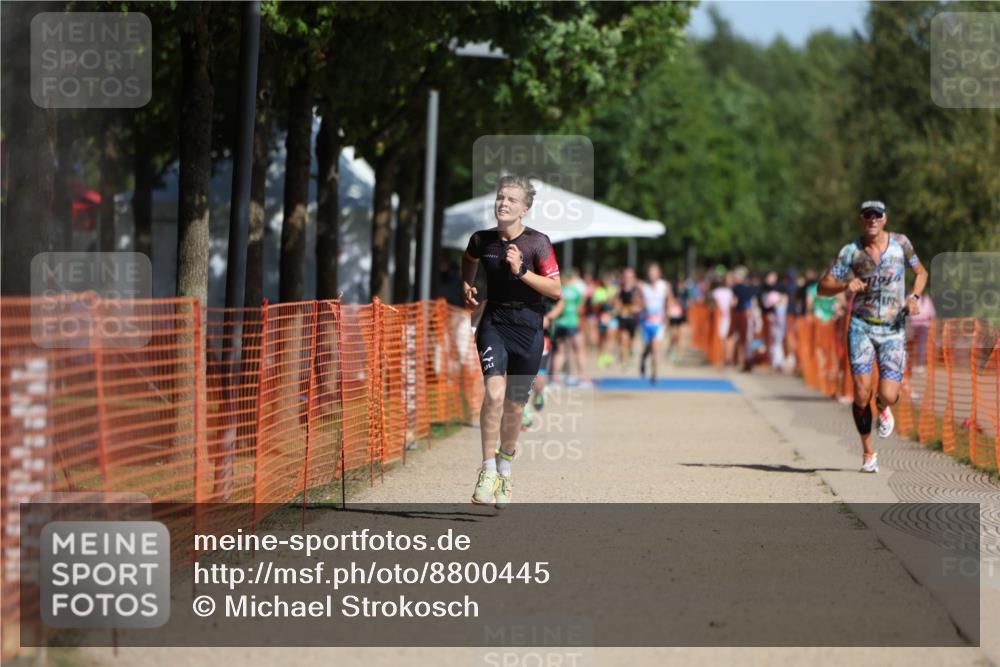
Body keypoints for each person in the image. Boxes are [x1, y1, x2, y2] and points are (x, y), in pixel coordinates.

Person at [462, 175, 562, 507]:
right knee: (493, 393)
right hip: (495, 321)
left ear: (525, 208)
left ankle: (505, 467)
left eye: (512, 200)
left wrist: (520, 271)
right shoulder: (481, 240)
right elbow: (469, 259)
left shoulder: (538, 243)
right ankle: (487, 468)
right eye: (500, 197)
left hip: (529, 327)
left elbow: (555, 289)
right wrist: (468, 284)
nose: (503, 203)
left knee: (516, 406)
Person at [818, 200, 928, 473]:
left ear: (884, 219)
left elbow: (921, 272)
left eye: (877, 216)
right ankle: (868, 453)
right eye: (867, 216)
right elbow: (822, 288)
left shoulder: (901, 244)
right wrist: (846, 284)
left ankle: (883, 406)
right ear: (861, 220)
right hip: (861, 327)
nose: (872, 220)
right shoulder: (850, 252)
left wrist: (914, 297)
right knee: (860, 392)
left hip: (892, 329)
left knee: (889, 394)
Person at [549, 270, 590, 386]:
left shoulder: (559, 291)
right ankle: (583, 378)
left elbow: (554, 307)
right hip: (572, 324)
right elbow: (580, 307)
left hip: (559, 324)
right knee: (579, 351)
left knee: (559, 352)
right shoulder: (575, 291)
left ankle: (555, 379)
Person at [639, 262, 671, 384]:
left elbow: (669, 301)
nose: (651, 275)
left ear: (659, 274)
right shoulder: (644, 287)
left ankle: (655, 374)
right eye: (650, 273)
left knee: (656, 347)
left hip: (659, 323)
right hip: (646, 322)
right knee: (649, 347)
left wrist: (667, 316)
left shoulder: (665, 286)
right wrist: (641, 306)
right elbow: (637, 302)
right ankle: (643, 358)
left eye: (654, 273)